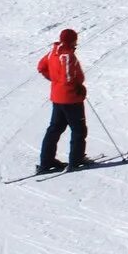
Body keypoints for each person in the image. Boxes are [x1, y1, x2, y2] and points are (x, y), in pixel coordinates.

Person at [35, 28, 90, 173]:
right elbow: (68, 78)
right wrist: (78, 88)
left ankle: (46, 162)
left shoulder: (53, 51)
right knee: (79, 130)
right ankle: (76, 160)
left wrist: (54, 80)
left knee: (55, 129)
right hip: (71, 99)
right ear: (72, 40)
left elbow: (41, 67)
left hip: (57, 97)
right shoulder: (67, 55)